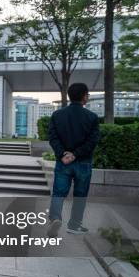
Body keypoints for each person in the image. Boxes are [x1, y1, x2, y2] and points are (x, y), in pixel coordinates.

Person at [47, 83, 100, 237]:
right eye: (87, 94)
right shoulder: (92, 117)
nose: (87, 97)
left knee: (58, 192)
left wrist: (63, 153)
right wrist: (75, 154)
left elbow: (53, 137)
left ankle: (55, 219)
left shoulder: (57, 115)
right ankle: (74, 225)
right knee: (80, 193)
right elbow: (92, 141)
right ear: (84, 96)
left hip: (63, 162)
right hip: (83, 162)